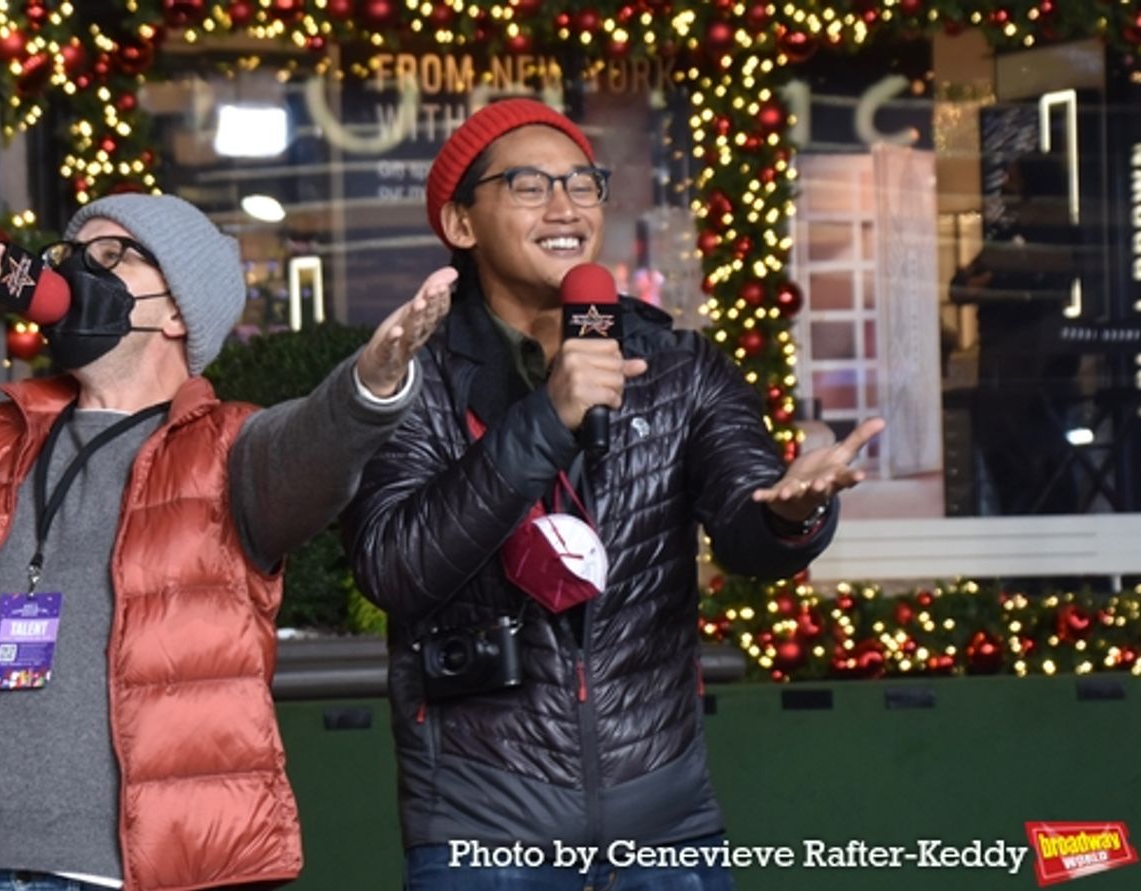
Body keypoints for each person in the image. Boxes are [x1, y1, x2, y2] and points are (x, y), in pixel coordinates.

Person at [0, 193, 455, 891]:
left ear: (176, 312)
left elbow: (312, 446)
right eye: (70, 257)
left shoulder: (229, 451)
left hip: (123, 874)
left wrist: (371, 384)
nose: (77, 274)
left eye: (110, 256)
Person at [341, 98, 884, 890]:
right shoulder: (411, 378)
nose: (565, 207)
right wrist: (546, 420)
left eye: (582, 184)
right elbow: (393, 565)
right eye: (529, 185)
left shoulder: (681, 366)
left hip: (667, 826)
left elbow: (748, 525)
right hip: (483, 830)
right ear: (461, 223)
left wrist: (795, 511)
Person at [949, 154, 1081, 515]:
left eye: (1012, 177)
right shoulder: (1008, 234)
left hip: (1030, 364)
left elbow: (1016, 281)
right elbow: (961, 287)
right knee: (1007, 456)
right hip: (1003, 361)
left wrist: (991, 279)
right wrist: (988, 278)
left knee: (1037, 458)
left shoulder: (1053, 232)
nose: (1005, 184)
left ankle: (1049, 536)